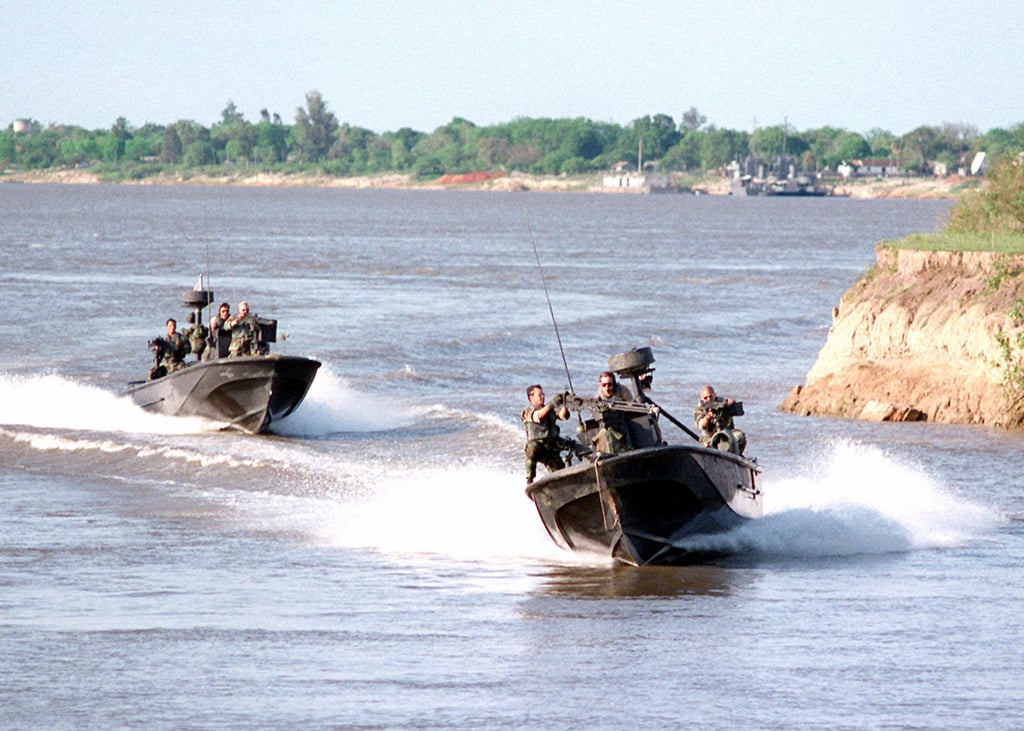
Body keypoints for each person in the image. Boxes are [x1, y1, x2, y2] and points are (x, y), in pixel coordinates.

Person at [521, 384, 573, 484]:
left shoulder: (550, 410)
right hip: (538, 447)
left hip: (551, 447)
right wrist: (552, 403)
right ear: (530, 397)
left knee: (559, 474)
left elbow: (564, 416)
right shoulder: (527, 411)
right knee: (531, 448)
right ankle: (530, 478)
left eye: (543, 394)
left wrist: (564, 405)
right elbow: (539, 416)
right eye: (539, 395)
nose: (542, 397)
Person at [693, 384, 747, 455]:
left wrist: (731, 404)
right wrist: (708, 417)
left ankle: (736, 457)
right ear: (702, 399)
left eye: (710, 396)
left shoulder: (722, 403)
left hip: (727, 434)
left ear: (714, 395)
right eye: (705, 398)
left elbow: (739, 411)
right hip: (710, 437)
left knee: (740, 437)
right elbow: (701, 425)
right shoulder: (699, 409)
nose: (708, 399)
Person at [593, 371, 634, 453]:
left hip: (621, 421)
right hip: (606, 426)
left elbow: (632, 405)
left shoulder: (622, 390)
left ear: (614, 384)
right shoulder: (598, 397)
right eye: (604, 385)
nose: (607, 388)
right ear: (600, 384)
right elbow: (595, 413)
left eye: (610, 384)